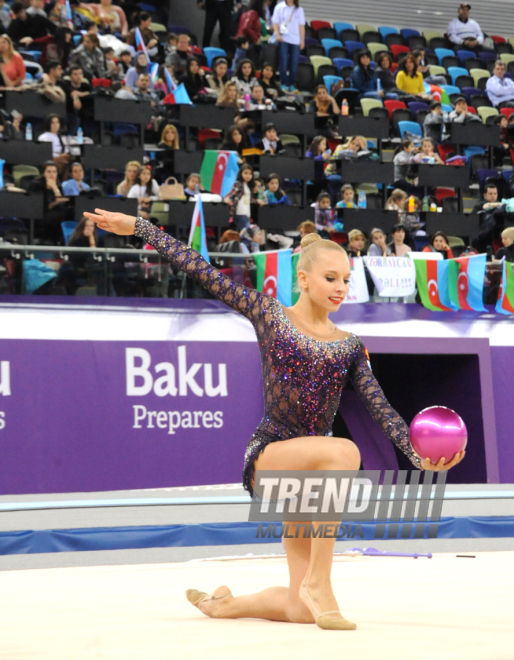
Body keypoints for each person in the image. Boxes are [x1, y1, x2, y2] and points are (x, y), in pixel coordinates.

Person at [85, 208, 463, 631]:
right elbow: (203, 271)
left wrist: (416, 453)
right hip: (270, 457)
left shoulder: (350, 346)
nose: (341, 288)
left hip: (313, 481)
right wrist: (139, 227)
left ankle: (223, 604)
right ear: (304, 279)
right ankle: (319, 582)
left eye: (346, 279)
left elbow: (381, 406)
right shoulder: (271, 315)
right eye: (330, 278)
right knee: (344, 451)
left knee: (300, 612)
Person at [28, 160, 71, 244]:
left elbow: (60, 202)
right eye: (49, 172)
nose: (52, 174)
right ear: (43, 174)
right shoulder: (37, 184)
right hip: (39, 217)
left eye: (54, 172)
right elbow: (38, 206)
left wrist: (55, 188)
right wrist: (55, 189)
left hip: (53, 215)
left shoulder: (58, 186)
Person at [272, 0, 305, 91]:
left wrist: (302, 41)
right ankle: (283, 83)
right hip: (283, 39)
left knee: (294, 63)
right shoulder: (279, 7)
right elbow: (275, 22)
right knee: (283, 61)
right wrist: (277, 34)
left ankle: (291, 84)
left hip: (295, 40)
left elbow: (301, 26)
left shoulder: (299, 10)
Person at [224, 163, 265, 230]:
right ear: (241, 173)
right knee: (247, 234)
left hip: (246, 214)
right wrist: (226, 198)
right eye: (245, 173)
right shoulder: (238, 184)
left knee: (241, 234)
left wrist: (258, 200)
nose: (248, 175)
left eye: (250, 173)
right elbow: (230, 194)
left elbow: (249, 200)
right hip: (240, 212)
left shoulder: (249, 186)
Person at [59, 64, 91, 135]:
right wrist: (75, 96)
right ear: (70, 76)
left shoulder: (85, 86)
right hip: (66, 112)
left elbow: (94, 92)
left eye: (80, 74)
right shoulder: (66, 84)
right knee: (74, 120)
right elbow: (68, 90)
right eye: (75, 74)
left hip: (82, 115)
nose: (78, 77)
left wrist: (81, 94)